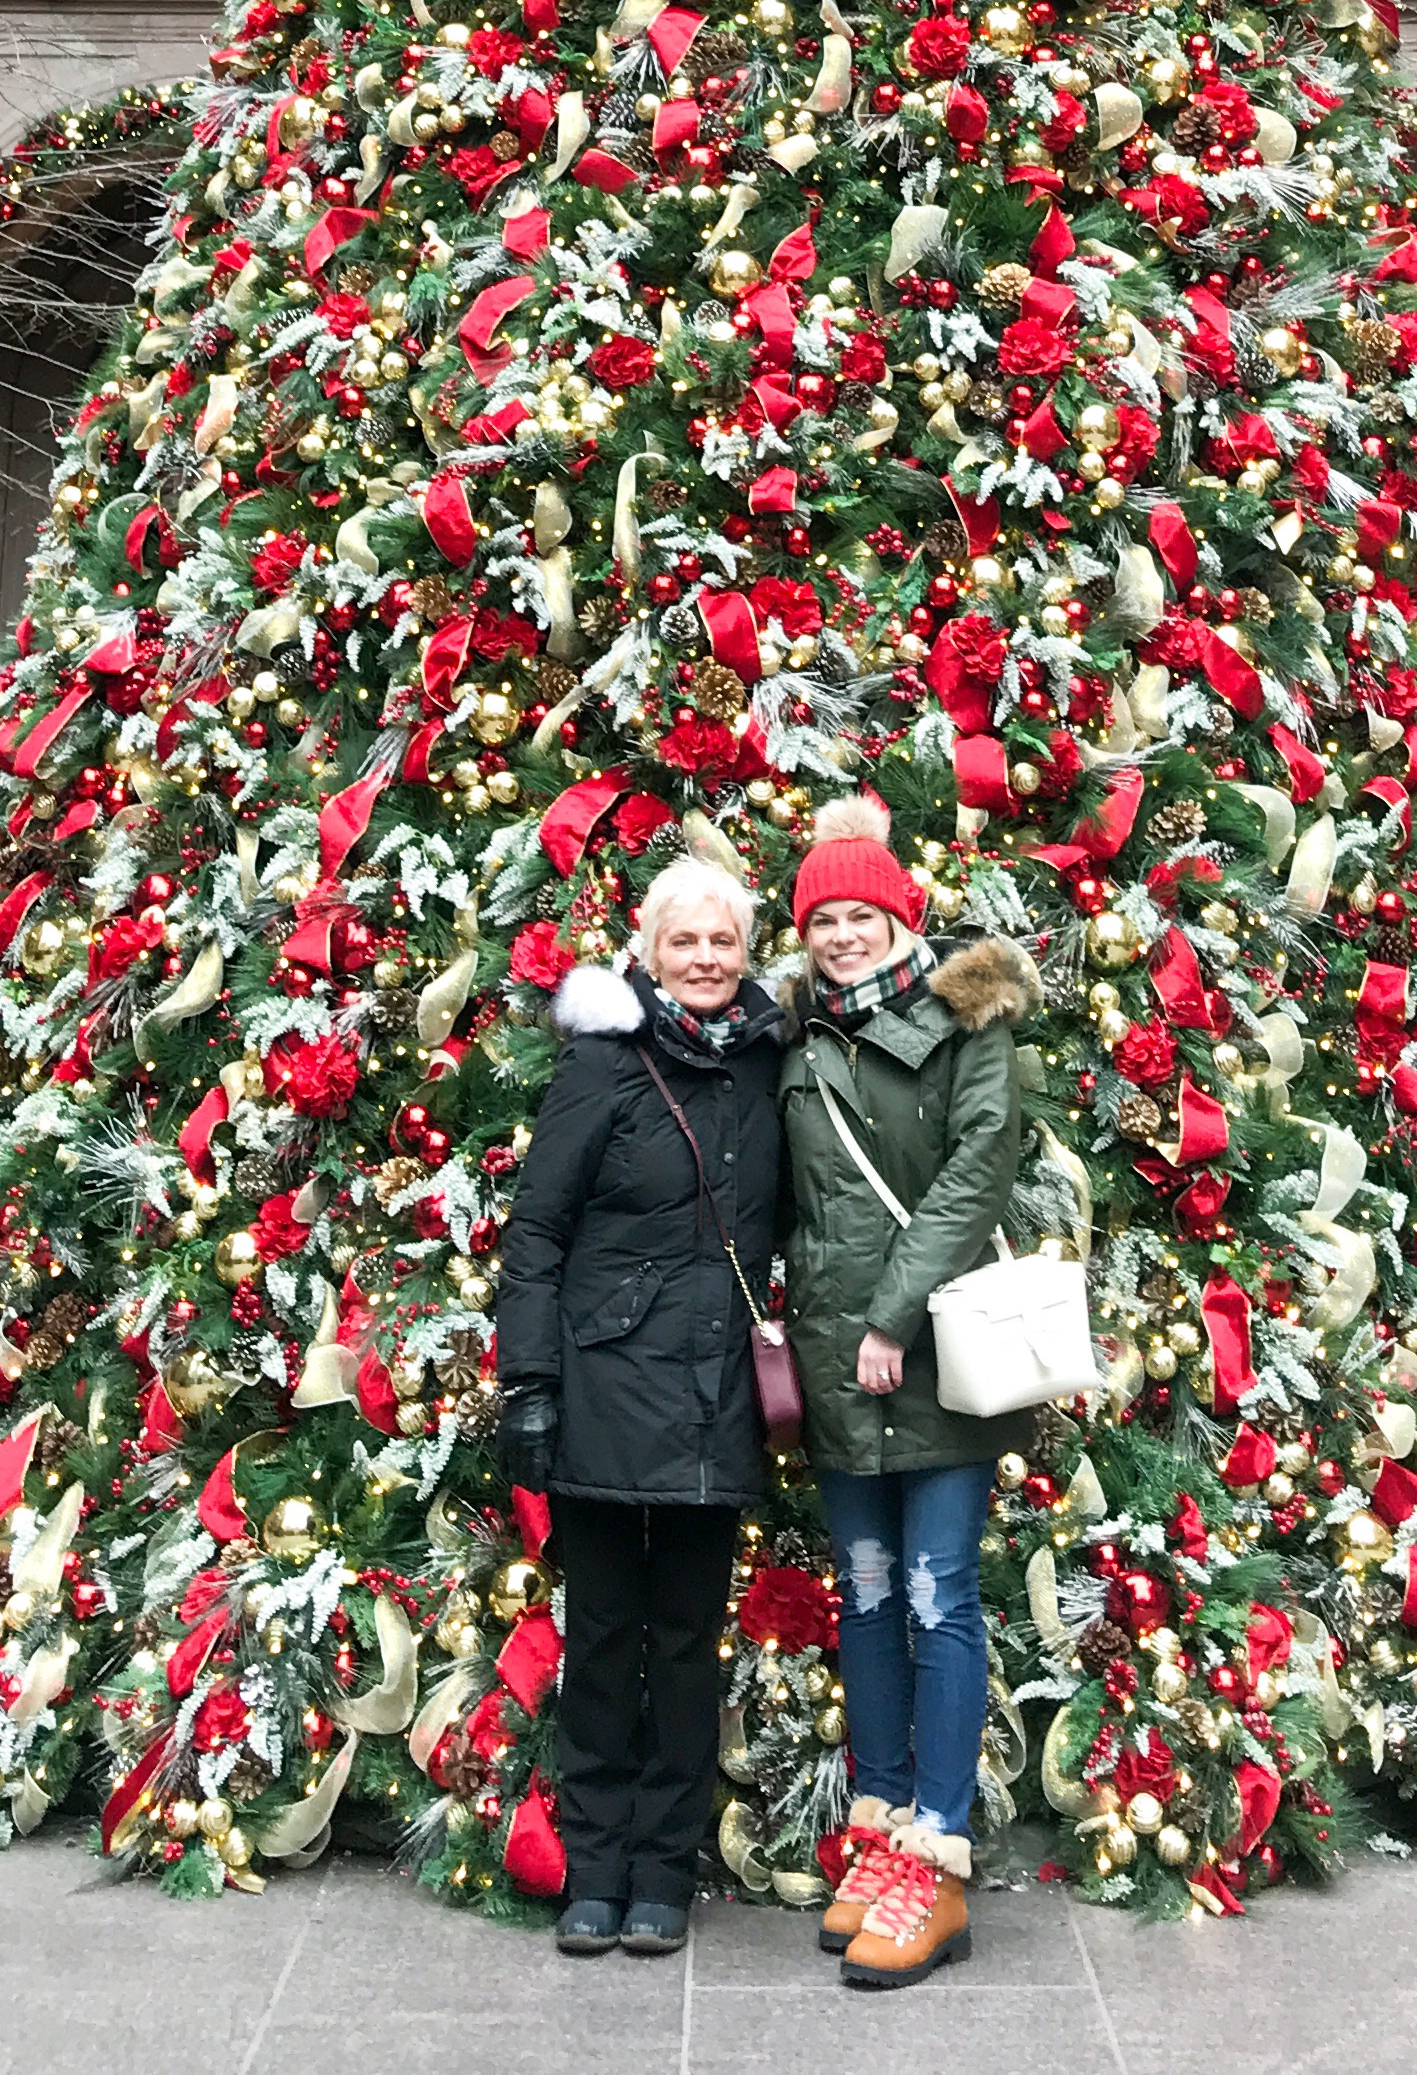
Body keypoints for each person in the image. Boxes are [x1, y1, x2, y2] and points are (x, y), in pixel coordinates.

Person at [494, 854, 782, 1957]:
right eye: (685, 942)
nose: (705, 960)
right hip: (608, 1388)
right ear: (649, 952)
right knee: (607, 1637)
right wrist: (529, 1383)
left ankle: (664, 1868)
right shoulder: (603, 1063)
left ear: (745, 953)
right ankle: (597, 1864)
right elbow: (537, 1233)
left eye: (723, 942)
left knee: (689, 1639)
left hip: (715, 1397)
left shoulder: (768, 1062)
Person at [777, 794, 1039, 1994]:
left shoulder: (968, 1017)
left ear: (899, 916)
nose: (842, 934)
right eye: (822, 916)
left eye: (860, 914)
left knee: (938, 1594)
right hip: (836, 1359)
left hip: (932, 1352)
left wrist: (893, 1316)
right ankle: (879, 1834)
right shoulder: (795, 1034)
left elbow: (978, 1171)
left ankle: (933, 1858)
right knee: (868, 1595)